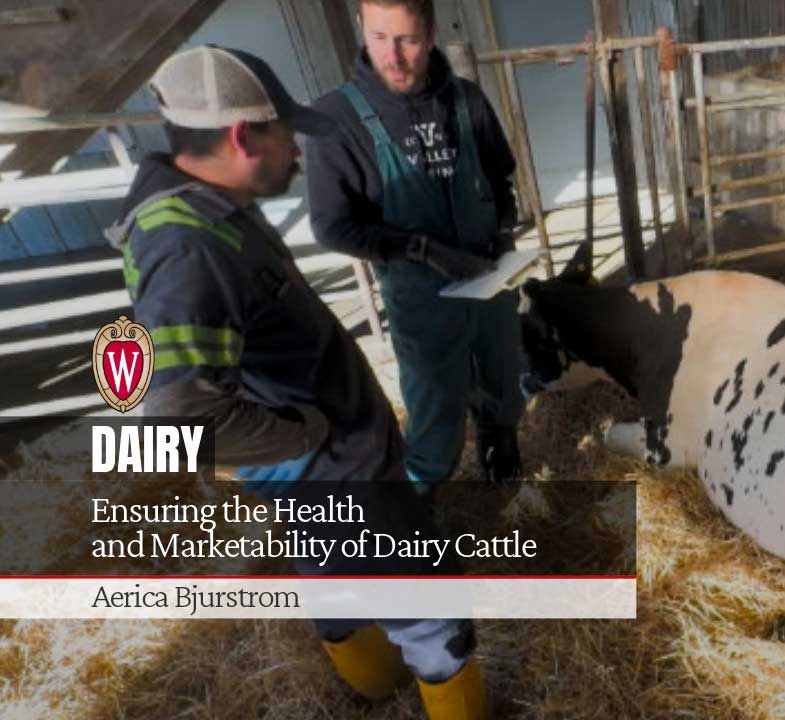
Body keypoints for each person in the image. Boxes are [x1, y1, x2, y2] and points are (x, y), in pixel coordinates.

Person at [106, 45, 490, 719]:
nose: (299, 150)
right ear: (241, 135)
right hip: (336, 471)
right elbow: (176, 422)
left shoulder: (200, 208)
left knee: (335, 583)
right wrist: (307, 433)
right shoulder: (189, 250)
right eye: (285, 133)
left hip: (309, 478)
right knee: (433, 615)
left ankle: (376, 692)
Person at [305, 0, 525, 493]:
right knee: (434, 408)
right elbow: (332, 226)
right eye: (379, 38)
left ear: (429, 34)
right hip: (422, 297)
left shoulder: (465, 99)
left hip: (488, 279)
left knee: (503, 379)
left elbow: (500, 172)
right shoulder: (335, 119)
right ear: (362, 27)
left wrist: (504, 229)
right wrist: (423, 250)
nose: (394, 57)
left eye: (407, 40)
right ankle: (419, 509)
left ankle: (501, 455)